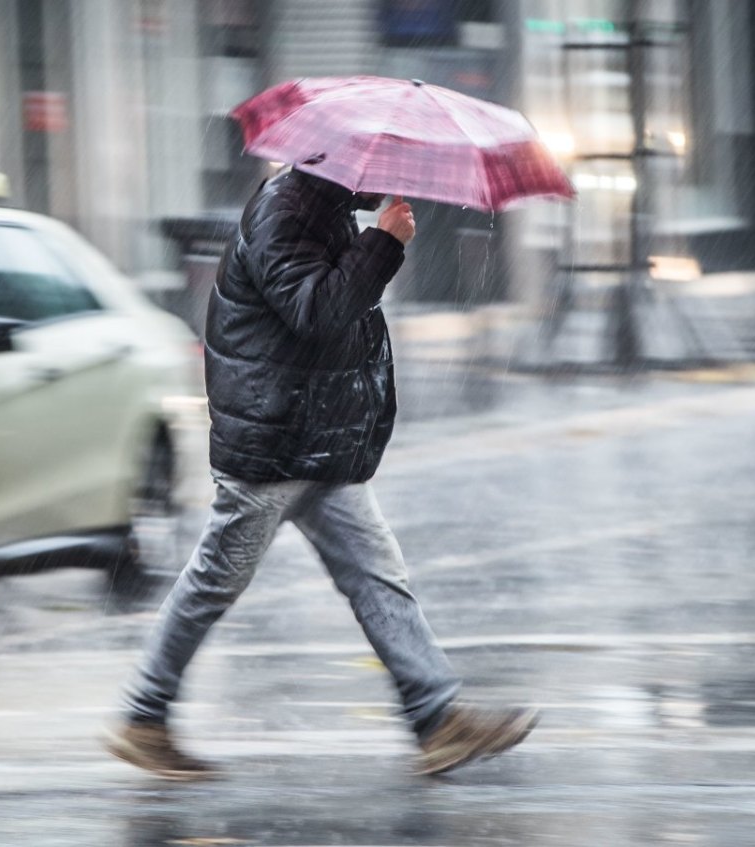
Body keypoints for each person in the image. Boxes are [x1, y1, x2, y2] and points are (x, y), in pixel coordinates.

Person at [105, 167, 538, 779]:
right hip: (274, 442)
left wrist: (374, 241)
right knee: (213, 583)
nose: (385, 179)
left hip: (313, 441)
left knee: (377, 575)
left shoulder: (322, 206)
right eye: (377, 167)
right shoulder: (285, 211)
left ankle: (438, 718)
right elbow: (317, 311)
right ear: (335, 159)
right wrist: (383, 243)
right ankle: (142, 716)